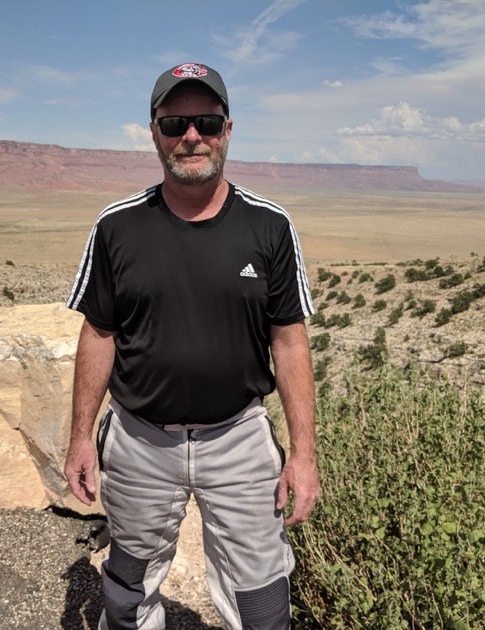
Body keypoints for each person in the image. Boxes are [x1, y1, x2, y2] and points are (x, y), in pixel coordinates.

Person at [64, 61, 320, 630]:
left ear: (228, 129)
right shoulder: (118, 226)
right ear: (153, 132)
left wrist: (303, 454)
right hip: (139, 439)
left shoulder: (269, 226)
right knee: (128, 583)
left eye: (206, 121)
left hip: (238, 439)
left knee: (263, 600)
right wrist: (81, 436)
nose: (191, 137)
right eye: (174, 124)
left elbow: (290, 340)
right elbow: (98, 333)